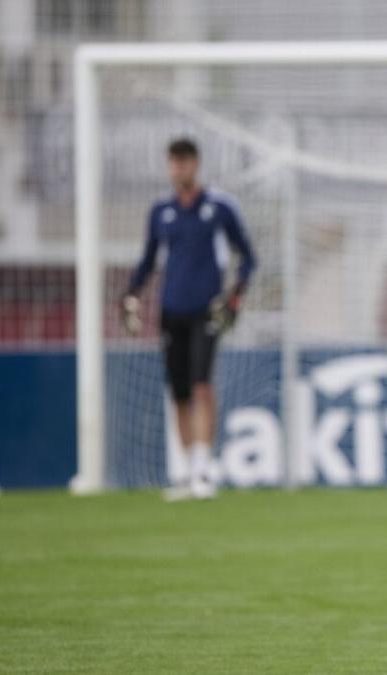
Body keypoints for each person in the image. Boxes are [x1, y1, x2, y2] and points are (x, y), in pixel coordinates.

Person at [123, 138, 257, 501]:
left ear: (196, 164)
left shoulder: (220, 207)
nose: (179, 168)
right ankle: (184, 470)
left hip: (206, 309)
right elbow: (148, 260)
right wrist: (132, 293)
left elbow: (248, 257)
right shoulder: (161, 211)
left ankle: (203, 468)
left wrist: (235, 295)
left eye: (184, 161)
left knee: (202, 386)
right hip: (171, 310)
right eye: (174, 162)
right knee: (179, 392)